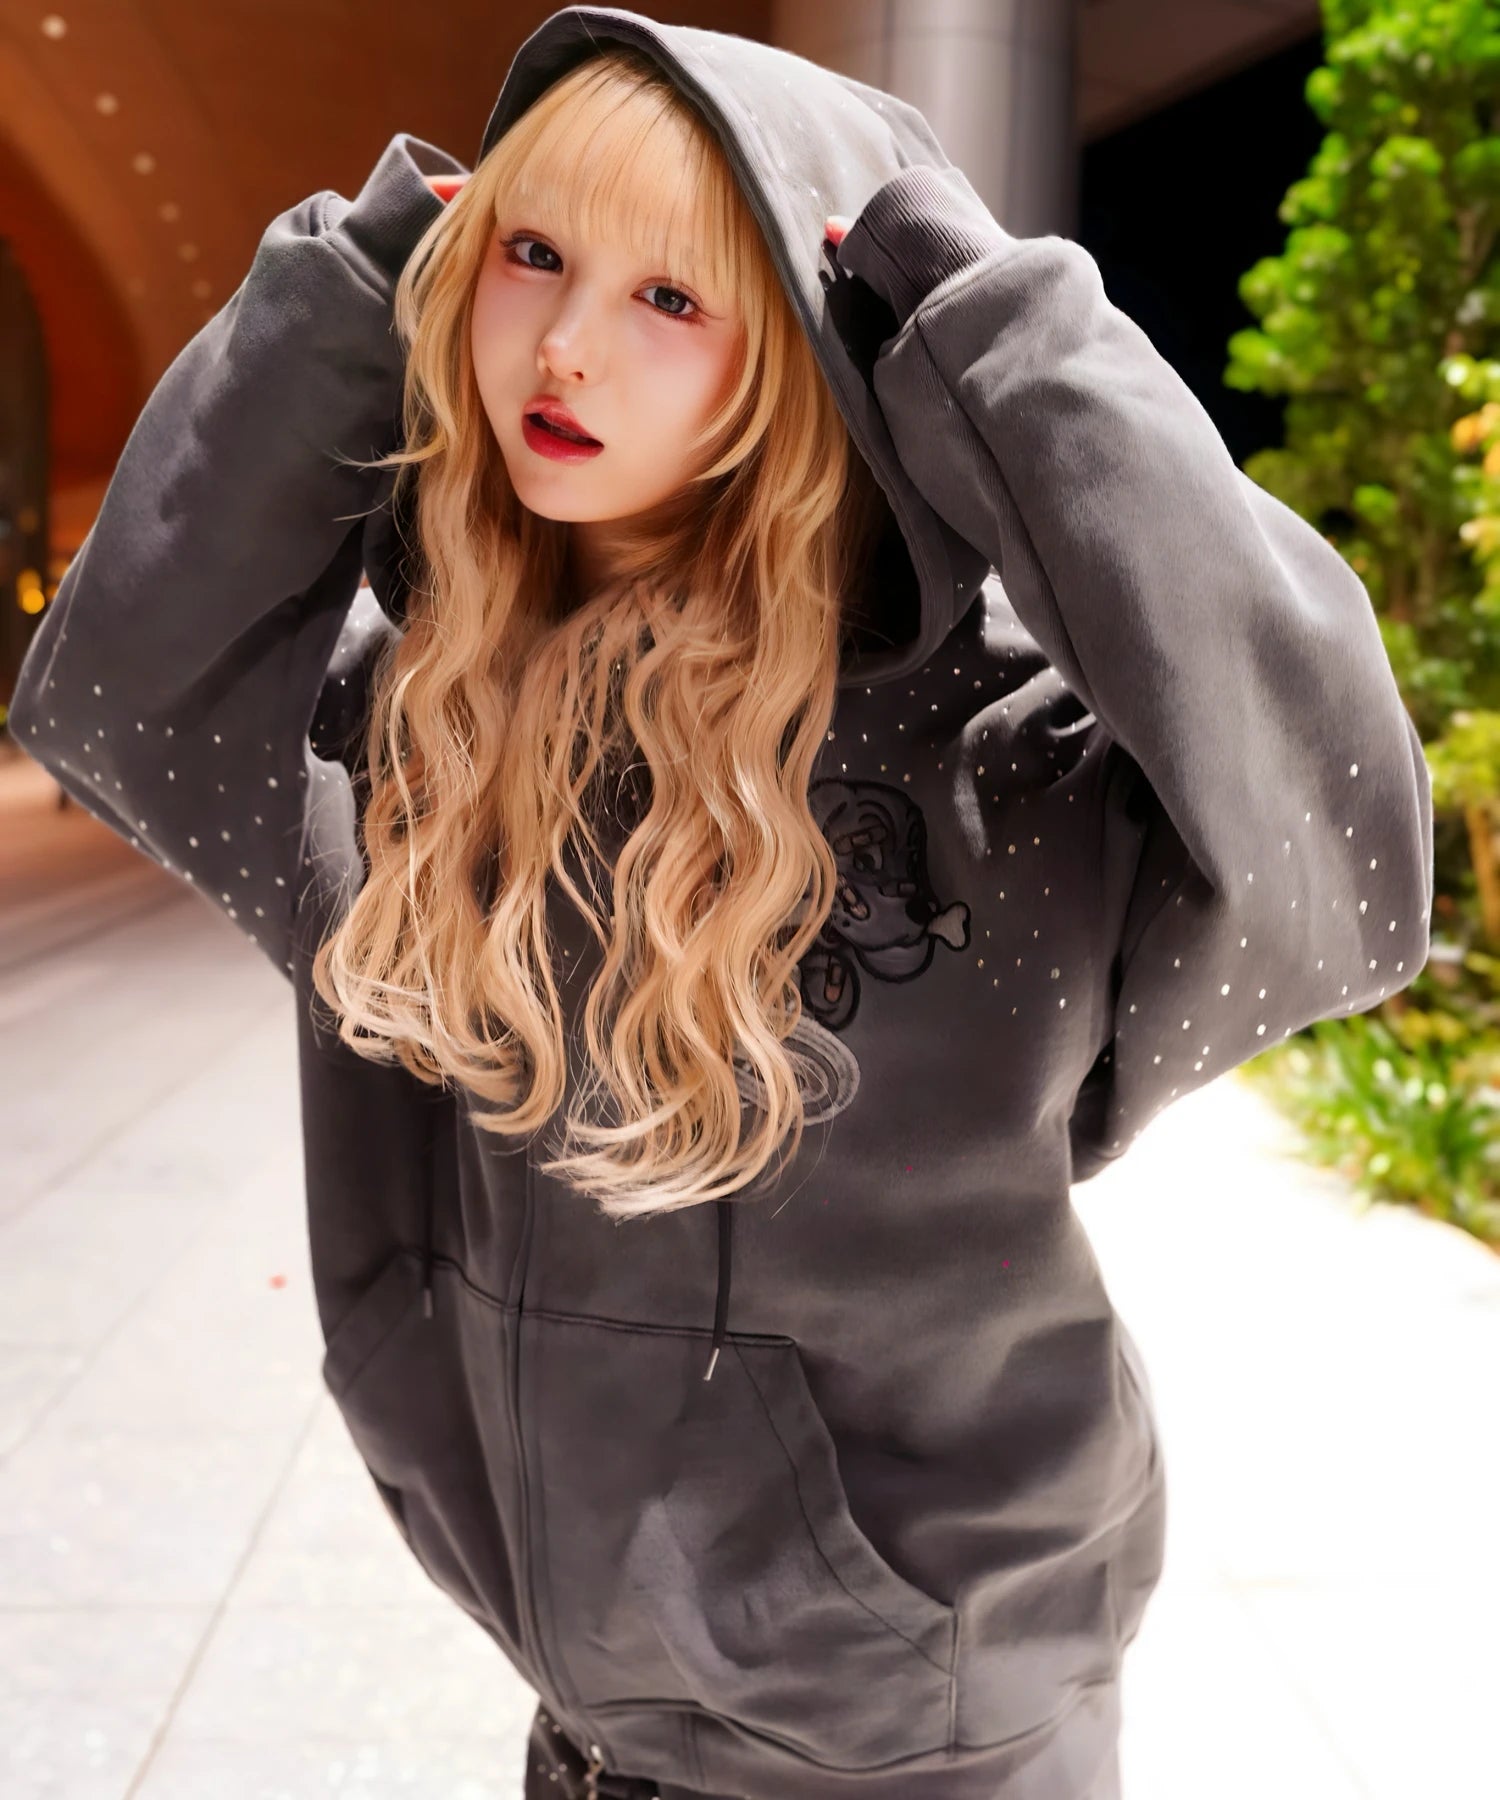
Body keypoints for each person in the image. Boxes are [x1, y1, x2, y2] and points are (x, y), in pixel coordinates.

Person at [8, 7, 1435, 1798]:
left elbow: (1345, 865)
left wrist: (1018, 343)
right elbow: (120, 699)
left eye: (672, 296)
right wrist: (350, 285)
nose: (566, 345)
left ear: (809, 350)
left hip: (931, 1744)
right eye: (532, 254)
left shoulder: (997, 749)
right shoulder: (425, 716)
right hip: (595, 1726)